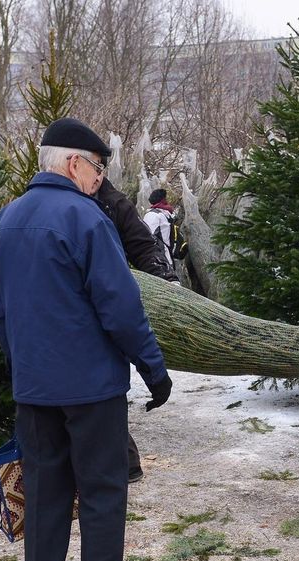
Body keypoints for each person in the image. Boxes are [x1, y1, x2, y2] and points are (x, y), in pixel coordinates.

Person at [0, 117, 173, 561]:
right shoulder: (87, 220)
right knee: (101, 489)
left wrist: (22, 365)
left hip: (35, 389)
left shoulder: (7, 221)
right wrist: (153, 369)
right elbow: (121, 307)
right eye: (96, 169)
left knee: (45, 491)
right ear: (73, 163)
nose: (98, 180)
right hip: (91, 389)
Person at [95, 178, 180, 483]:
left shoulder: (113, 203)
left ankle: (125, 464)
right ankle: (121, 465)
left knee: (101, 395)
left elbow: (143, 246)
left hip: (101, 320)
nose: (96, 174)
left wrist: (164, 281)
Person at [143, 188, 177, 267]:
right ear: (162, 199)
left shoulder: (152, 215)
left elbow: (148, 236)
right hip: (168, 255)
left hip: (159, 258)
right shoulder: (167, 213)